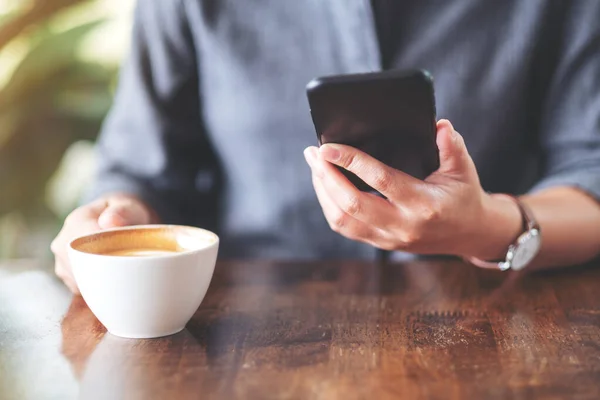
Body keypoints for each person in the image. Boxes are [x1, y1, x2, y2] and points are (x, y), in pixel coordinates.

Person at [52, 0, 600, 294]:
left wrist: (489, 225)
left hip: (501, 313)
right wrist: (113, 220)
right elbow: (142, 172)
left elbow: (590, 170)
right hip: (246, 334)